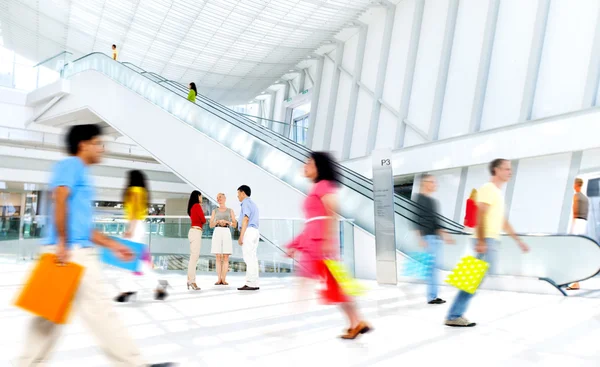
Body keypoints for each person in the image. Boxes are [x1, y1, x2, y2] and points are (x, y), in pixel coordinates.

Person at [15, 124, 173, 367]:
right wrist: (63, 243)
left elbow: (84, 227)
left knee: (52, 318)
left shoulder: (81, 173)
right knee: (90, 313)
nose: (102, 148)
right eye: (98, 143)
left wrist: (112, 244)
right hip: (71, 253)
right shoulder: (71, 165)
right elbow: (59, 198)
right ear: (83, 144)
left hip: (72, 249)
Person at [286, 152, 371, 339]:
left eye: (309, 162)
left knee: (305, 281)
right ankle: (356, 322)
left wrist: (327, 239)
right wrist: (296, 243)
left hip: (318, 243)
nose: (305, 165)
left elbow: (332, 211)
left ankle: (291, 324)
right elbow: (313, 221)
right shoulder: (317, 187)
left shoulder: (322, 185)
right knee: (335, 285)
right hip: (315, 241)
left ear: (319, 167)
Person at [445, 159, 529, 327]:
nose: (509, 172)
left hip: (490, 240)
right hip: (485, 240)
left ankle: (455, 313)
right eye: (506, 169)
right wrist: (482, 240)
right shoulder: (488, 189)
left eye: (510, 169)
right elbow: (480, 215)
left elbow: (502, 222)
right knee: (473, 279)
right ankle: (454, 315)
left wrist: (518, 240)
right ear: (496, 170)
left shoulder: (497, 193)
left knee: (474, 278)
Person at [114, 170, 168, 303]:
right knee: (135, 261)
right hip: (139, 226)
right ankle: (157, 286)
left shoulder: (133, 191)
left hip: (135, 226)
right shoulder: (143, 192)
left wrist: (130, 229)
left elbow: (134, 212)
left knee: (129, 260)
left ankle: (129, 290)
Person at [415, 174, 454, 305]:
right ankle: (431, 296)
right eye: (432, 182)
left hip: (436, 238)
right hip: (428, 238)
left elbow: (436, 222)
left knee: (436, 267)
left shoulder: (432, 201)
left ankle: (433, 295)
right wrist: (420, 238)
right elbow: (415, 220)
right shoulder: (418, 199)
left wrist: (445, 235)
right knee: (432, 268)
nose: (434, 184)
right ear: (424, 183)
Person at [566, 178, 589, 290]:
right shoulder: (585, 198)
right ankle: (576, 282)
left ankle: (575, 282)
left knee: (572, 253)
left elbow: (574, 215)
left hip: (577, 224)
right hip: (583, 225)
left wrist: (570, 230)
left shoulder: (576, 197)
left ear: (576, 185)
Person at [209, 193, 237, 285]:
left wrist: (227, 222)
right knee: (217, 256)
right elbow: (211, 225)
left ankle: (224, 279)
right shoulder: (214, 211)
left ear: (225, 198)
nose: (219, 199)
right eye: (217, 198)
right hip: (217, 231)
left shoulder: (230, 210)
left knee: (226, 256)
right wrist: (217, 221)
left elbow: (235, 224)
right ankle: (219, 279)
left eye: (220, 197)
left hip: (226, 231)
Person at [236, 185, 260, 291]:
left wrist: (241, 236)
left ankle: (250, 283)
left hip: (248, 231)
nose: (238, 196)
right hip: (255, 231)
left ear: (242, 193)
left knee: (248, 257)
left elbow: (245, 219)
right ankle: (254, 282)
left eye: (238, 194)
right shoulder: (253, 204)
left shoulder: (245, 203)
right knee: (253, 258)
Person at [187, 190, 206, 290]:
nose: (201, 198)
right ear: (197, 196)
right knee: (194, 258)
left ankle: (189, 280)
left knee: (193, 257)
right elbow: (203, 220)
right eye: (201, 196)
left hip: (193, 231)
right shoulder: (197, 206)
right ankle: (192, 281)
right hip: (196, 232)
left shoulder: (192, 207)